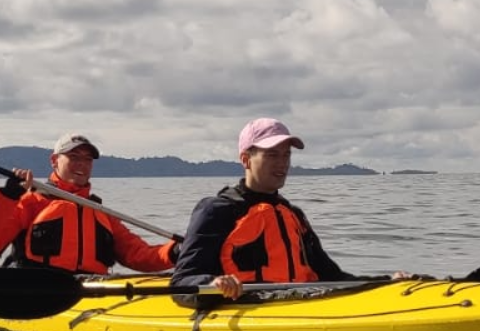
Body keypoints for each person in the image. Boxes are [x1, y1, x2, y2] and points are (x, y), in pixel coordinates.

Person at [171, 117, 409, 298]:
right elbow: (182, 281)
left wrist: (385, 282)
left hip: (297, 303)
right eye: (272, 155)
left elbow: (331, 277)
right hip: (246, 307)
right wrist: (214, 283)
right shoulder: (216, 210)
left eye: (286, 155)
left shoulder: (293, 215)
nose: (282, 163)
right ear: (246, 159)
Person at [0, 131, 178, 274]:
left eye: (87, 159)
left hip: (90, 292)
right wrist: (7, 196)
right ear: (54, 160)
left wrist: (174, 252)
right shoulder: (30, 201)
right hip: (38, 289)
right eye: (74, 157)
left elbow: (137, 255)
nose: (82, 164)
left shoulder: (99, 211)